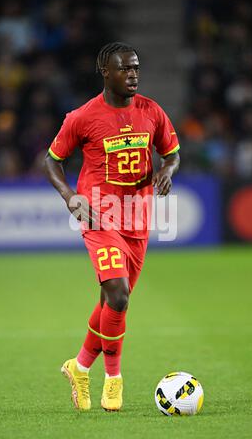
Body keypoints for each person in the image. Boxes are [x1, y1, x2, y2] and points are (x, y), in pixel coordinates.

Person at [44, 42, 180, 412]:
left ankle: (79, 366)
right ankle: (114, 379)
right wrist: (70, 196)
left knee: (110, 302)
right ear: (106, 71)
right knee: (118, 295)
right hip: (99, 216)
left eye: (136, 68)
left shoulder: (151, 111)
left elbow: (172, 153)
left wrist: (167, 170)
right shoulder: (83, 117)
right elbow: (52, 160)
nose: (133, 75)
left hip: (138, 219)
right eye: (125, 69)